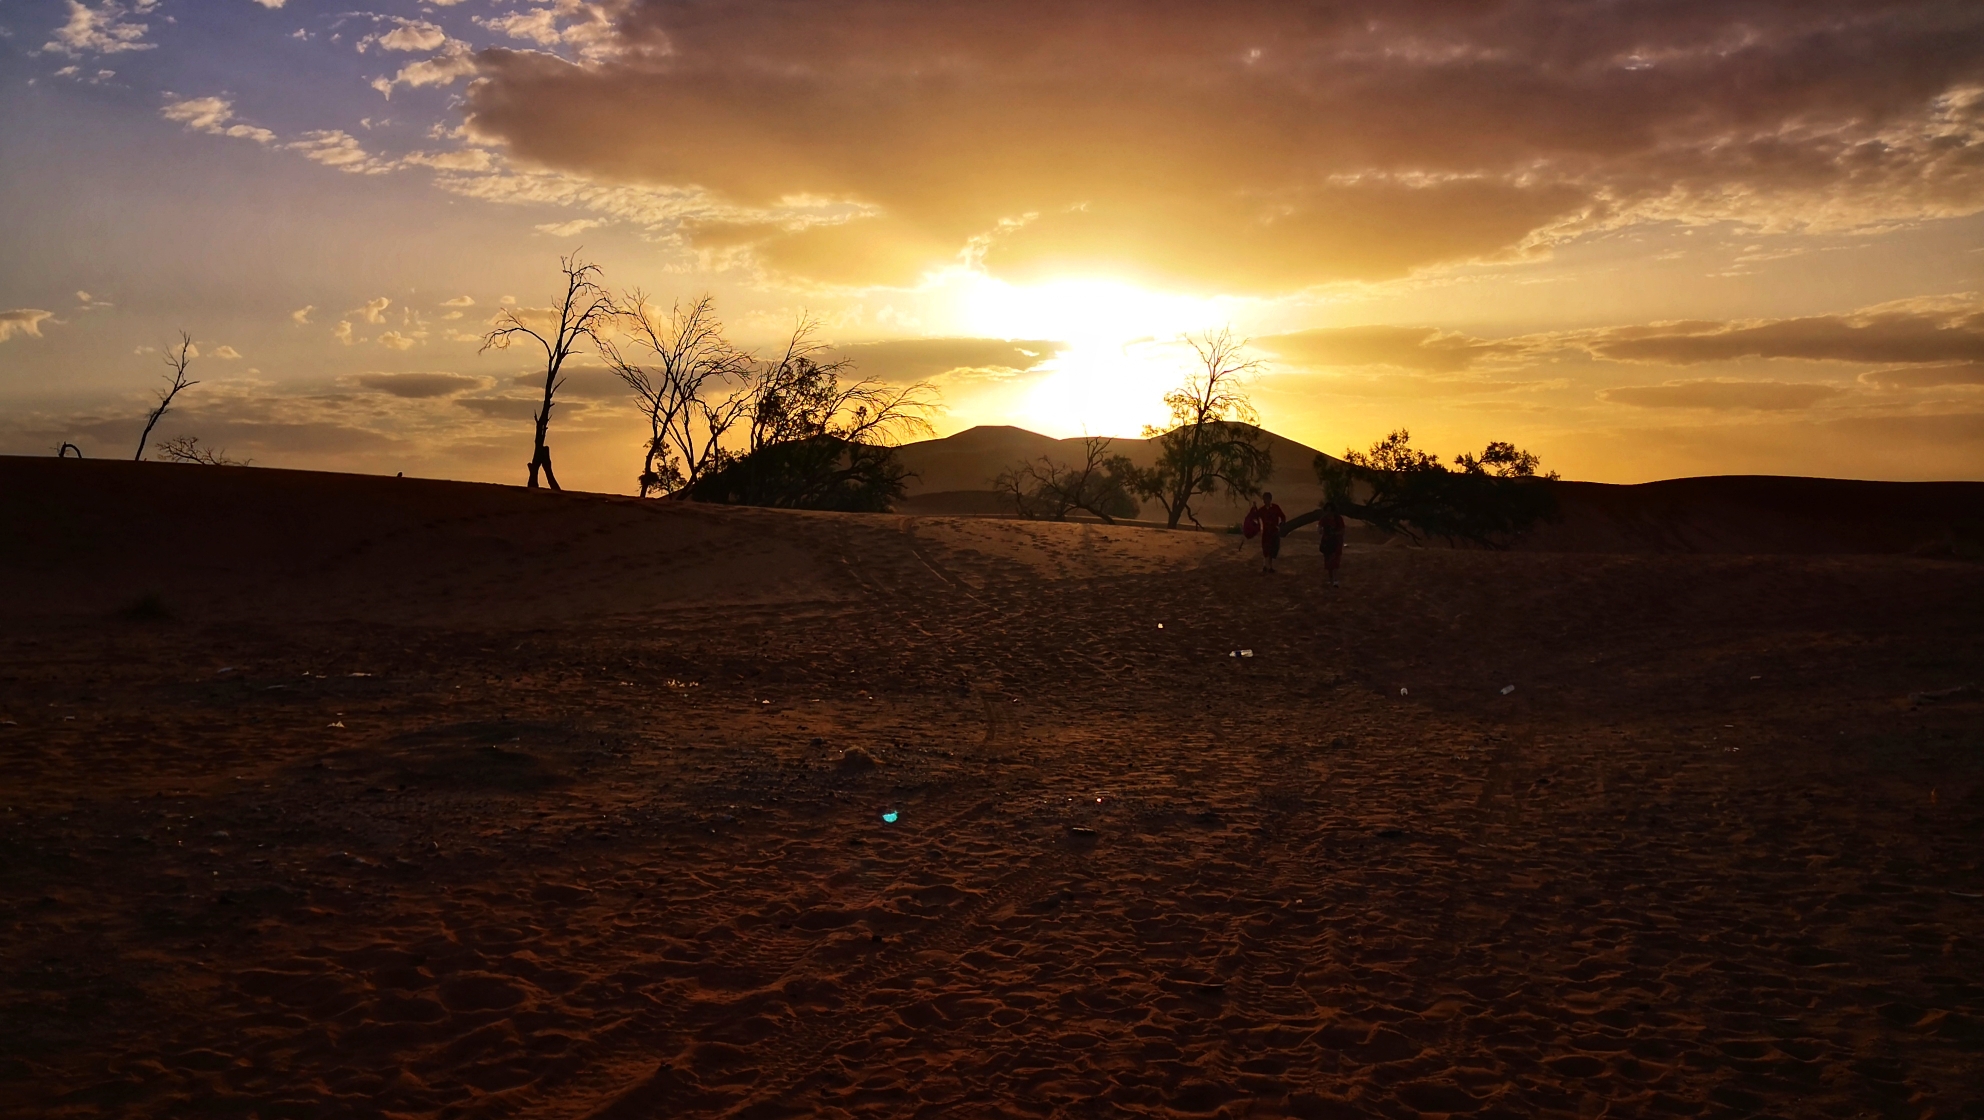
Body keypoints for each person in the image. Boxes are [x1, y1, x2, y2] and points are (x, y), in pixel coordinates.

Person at [1256, 491, 1286, 573]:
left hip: (1274, 531)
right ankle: (1265, 566)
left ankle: (1270, 567)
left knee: (1273, 549)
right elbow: (1255, 516)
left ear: (1270, 499)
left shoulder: (1276, 508)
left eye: (1267, 498)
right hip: (1266, 532)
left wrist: (1281, 525)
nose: (1266, 500)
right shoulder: (1261, 510)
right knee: (1266, 549)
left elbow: (1283, 517)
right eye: (1264, 499)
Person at [1318, 499, 1346, 587]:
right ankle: (1331, 580)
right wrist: (1320, 530)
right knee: (1328, 561)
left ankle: (1335, 580)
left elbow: (1342, 530)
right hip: (1327, 542)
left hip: (1336, 542)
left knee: (1335, 561)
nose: (1328, 512)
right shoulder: (1324, 519)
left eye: (1330, 510)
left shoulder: (1338, 519)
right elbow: (1319, 528)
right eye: (1327, 510)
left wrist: (1334, 533)